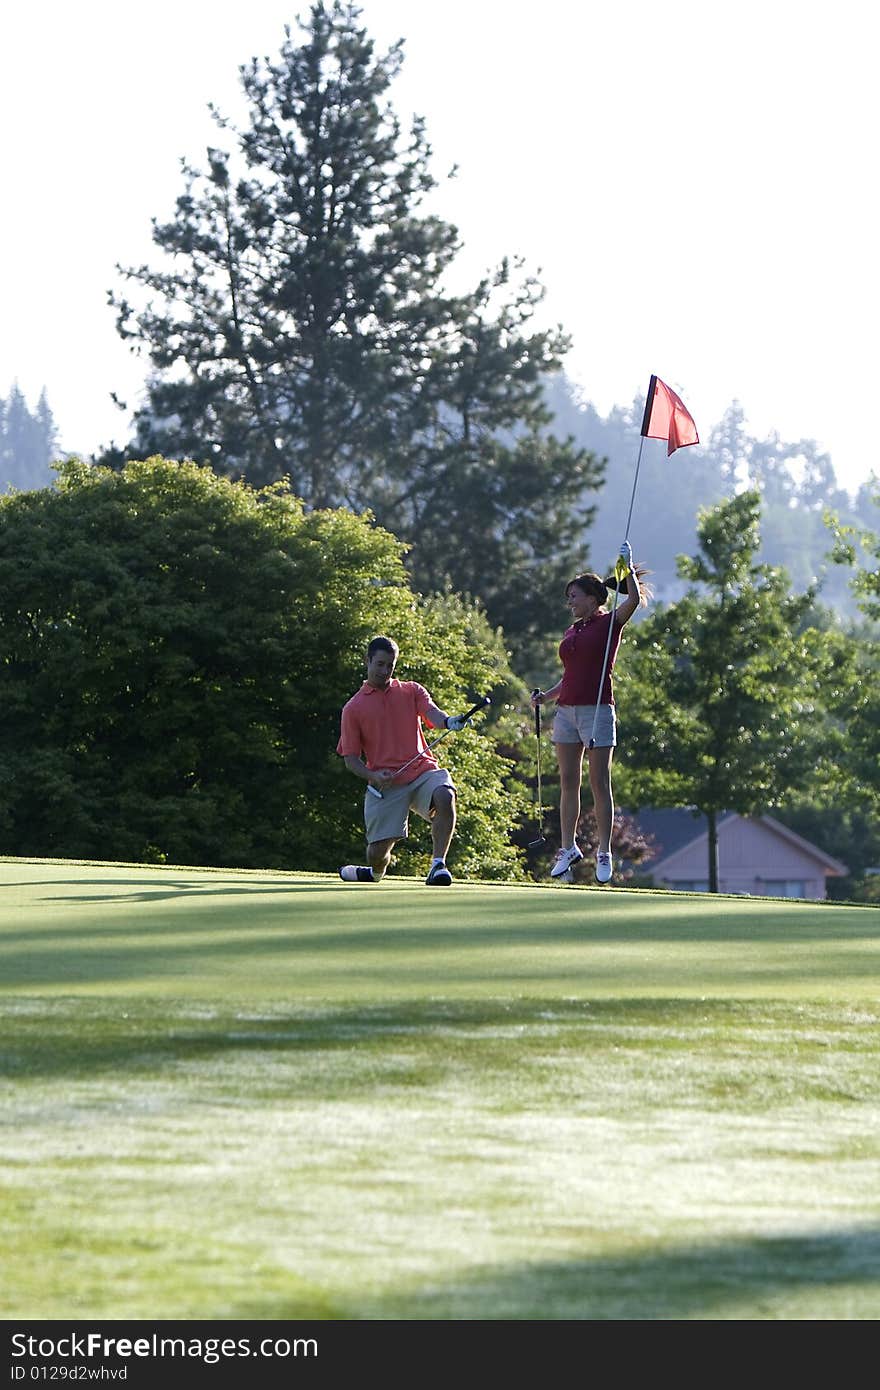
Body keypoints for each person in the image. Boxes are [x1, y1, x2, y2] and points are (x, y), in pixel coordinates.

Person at [531, 540, 649, 884]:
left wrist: (626, 569)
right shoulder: (573, 630)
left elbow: (634, 600)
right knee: (569, 782)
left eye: (574, 596)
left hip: (597, 711)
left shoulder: (609, 623)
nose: (570, 602)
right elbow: (571, 676)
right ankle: (568, 848)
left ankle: (605, 851)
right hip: (566, 712)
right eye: (568, 597)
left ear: (593, 598)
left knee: (600, 783)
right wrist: (548, 696)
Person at [336, 636, 470, 886]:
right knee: (376, 854)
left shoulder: (411, 690)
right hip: (386, 784)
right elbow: (350, 759)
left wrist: (450, 721)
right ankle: (373, 873)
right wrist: (373, 776)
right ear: (367, 661)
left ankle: (438, 866)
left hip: (422, 772)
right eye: (380, 664)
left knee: (445, 795)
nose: (385, 671)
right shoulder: (353, 708)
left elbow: (433, 715)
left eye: (390, 665)